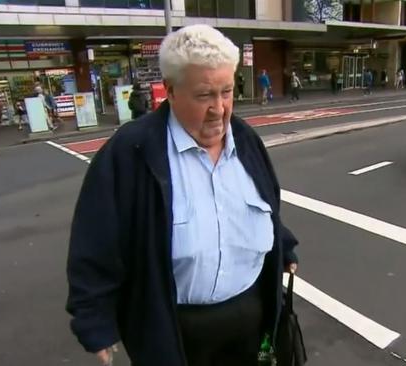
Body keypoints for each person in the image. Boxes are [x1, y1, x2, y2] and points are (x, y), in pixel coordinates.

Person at [66, 24, 300, 366]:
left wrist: (283, 244)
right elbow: (96, 240)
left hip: (251, 319)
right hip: (173, 331)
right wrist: (94, 318)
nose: (219, 108)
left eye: (227, 91)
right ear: (170, 91)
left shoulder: (247, 140)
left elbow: (263, 205)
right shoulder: (132, 151)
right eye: (205, 95)